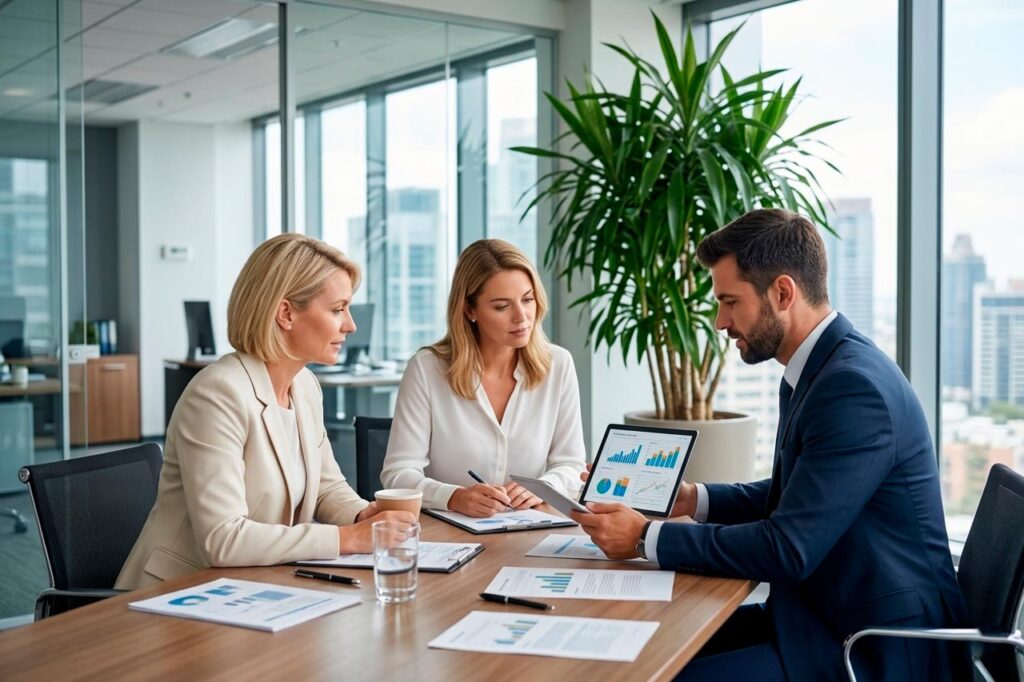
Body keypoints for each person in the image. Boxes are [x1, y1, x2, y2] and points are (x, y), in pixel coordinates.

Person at [573, 209, 967, 682]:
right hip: (821, 616)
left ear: (783, 292)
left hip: (873, 646)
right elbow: (801, 496)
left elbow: (787, 547)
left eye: (729, 302)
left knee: (663, 671)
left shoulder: (851, 388)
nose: (720, 322)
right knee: (648, 646)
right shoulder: (822, 369)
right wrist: (695, 498)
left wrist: (642, 537)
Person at [116, 234, 414, 590]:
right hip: (177, 595)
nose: (350, 325)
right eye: (337, 309)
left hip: (251, 587)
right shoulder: (218, 393)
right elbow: (223, 538)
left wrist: (362, 515)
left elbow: (325, 486)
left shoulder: (304, 386)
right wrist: (348, 539)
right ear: (286, 313)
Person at [381, 239, 586, 517]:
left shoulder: (558, 364)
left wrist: (543, 487)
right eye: (502, 307)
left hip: (531, 529)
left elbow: (571, 464)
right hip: (451, 535)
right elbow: (398, 473)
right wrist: (453, 497)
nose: (522, 316)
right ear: (469, 310)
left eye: (527, 299)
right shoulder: (427, 369)